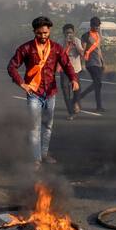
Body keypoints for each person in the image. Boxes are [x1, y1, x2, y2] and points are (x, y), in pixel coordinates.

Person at [7, 16, 79, 167]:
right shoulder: (26, 48)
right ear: (34, 32)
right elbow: (12, 66)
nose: (43, 36)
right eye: (39, 33)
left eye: (45, 33)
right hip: (34, 93)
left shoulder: (56, 48)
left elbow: (67, 64)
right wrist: (21, 83)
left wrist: (74, 79)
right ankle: (36, 159)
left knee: (47, 125)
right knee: (34, 126)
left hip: (50, 92)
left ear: (49, 31)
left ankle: (44, 154)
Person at [79, 16, 105, 112]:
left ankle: (98, 106)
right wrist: (82, 64)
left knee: (98, 84)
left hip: (98, 62)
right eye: (95, 26)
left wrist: (103, 62)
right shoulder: (86, 36)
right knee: (98, 83)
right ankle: (82, 96)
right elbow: (83, 51)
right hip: (90, 62)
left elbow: (99, 50)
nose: (97, 28)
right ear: (91, 25)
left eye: (98, 26)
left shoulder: (98, 35)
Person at [59, 23, 84, 120]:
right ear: (63, 33)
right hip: (64, 70)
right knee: (66, 92)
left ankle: (75, 103)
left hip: (75, 69)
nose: (69, 35)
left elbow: (82, 54)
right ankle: (70, 113)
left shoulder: (77, 40)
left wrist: (75, 45)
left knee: (77, 90)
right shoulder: (60, 42)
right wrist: (66, 45)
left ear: (74, 32)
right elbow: (59, 55)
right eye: (67, 33)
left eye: (71, 33)